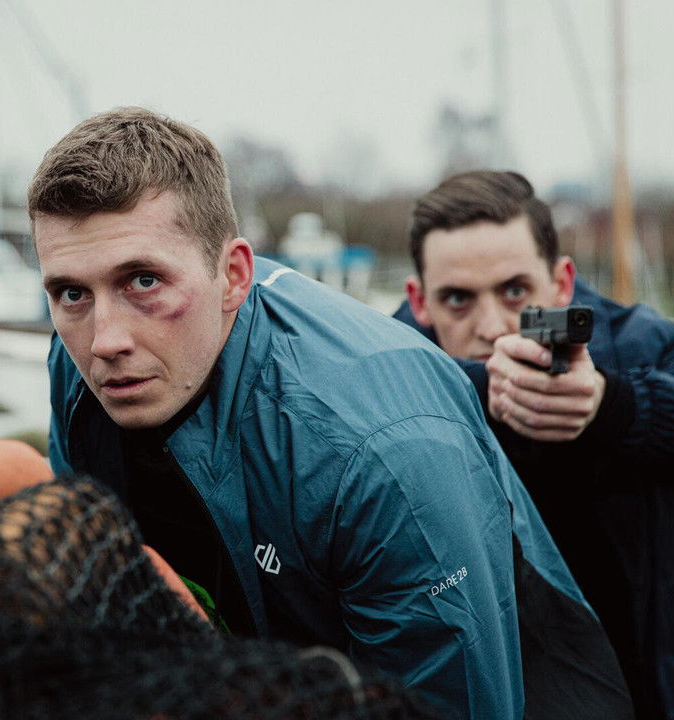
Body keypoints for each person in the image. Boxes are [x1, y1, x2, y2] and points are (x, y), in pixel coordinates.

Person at [31, 107, 631, 719]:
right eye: (71, 292)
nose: (105, 340)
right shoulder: (78, 368)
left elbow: (446, 705)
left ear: (233, 276)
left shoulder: (386, 455)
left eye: (143, 282)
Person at [394, 169, 673, 719]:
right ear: (419, 301)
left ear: (562, 283)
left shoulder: (638, 343)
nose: (493, 325)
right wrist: (476, 393)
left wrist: (612, 406)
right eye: (458, 299)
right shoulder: (389, 375)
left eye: (515, 291)